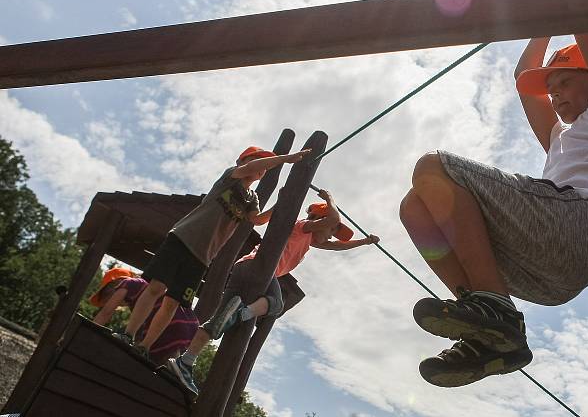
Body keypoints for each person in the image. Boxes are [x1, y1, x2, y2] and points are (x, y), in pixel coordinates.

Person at [398, 0, 588, 388]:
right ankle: (488, 328)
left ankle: (494, 307)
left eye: (565, 82)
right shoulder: (560, 138)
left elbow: (587, 31)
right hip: (551, 275)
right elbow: (521, 76)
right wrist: (544, 17)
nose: (557, 95)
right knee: (415, 207)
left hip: (576, 226)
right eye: (552, 90)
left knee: (433, 166)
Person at [166, 188, 380, 395]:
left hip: (242, 268)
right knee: (276, 304)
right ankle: (242, 312)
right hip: (262, 269)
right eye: (332, 230)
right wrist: (330, 198)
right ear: (318, 220)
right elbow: (332, 220)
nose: (333, 235)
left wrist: (365, 242)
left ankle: (185, 361)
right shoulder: (304, 226)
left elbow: (337, 247)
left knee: (217, 322)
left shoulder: (310, 240)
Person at [113, 145, 310, 358]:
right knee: (156, 287)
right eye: (259, 160)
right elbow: (254, 167)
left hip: (202, 256)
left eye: (265, 163)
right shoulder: (231, 177)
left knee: (173, 302)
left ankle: (144, 347)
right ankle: (128, 333)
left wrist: (281, 203)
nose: (263, 166)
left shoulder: (252, 198)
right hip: (182, 238)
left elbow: (257, 220)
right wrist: (285, 158)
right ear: (243, 160)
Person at [90, 267, 198, 365]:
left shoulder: (127, 283)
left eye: (106, 295)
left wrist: (88, 333)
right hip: (187, 324)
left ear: (116, 284)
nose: (106, 301)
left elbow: (105, 313)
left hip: (171, 324)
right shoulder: (143, 300)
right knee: (165, 362)